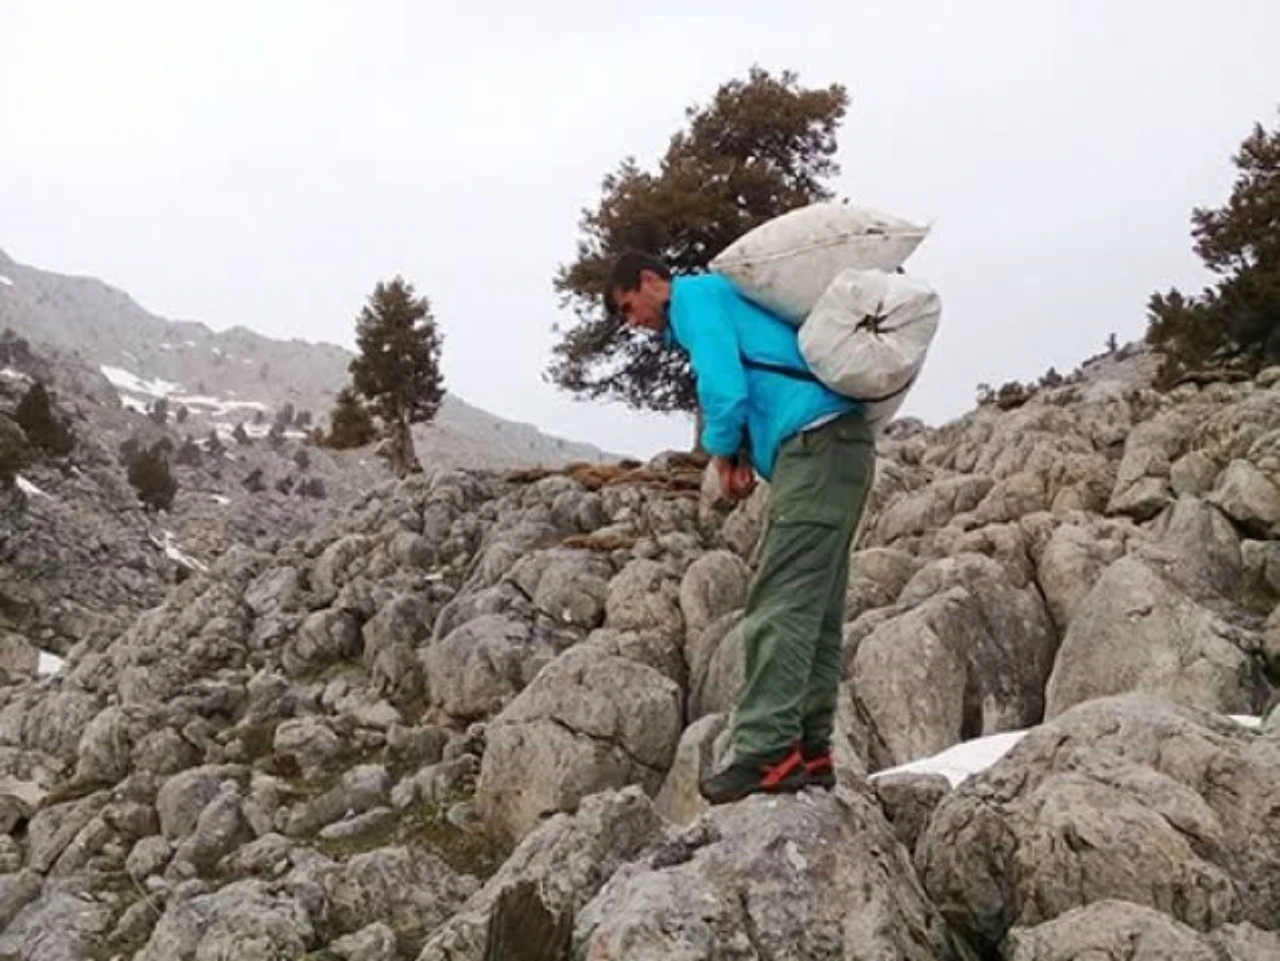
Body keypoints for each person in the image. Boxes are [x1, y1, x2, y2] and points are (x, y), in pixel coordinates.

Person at [603, 250, 877, 804]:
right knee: (815, 609)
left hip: (815, 446)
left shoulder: (695, 300)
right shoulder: (721, 300)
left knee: (778, 602)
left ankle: (765, 753)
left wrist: (723, 455)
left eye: (629, 307)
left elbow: (724, 387)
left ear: (653, 282)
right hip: (839, 448)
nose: (633, 323)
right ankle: (810, 749)